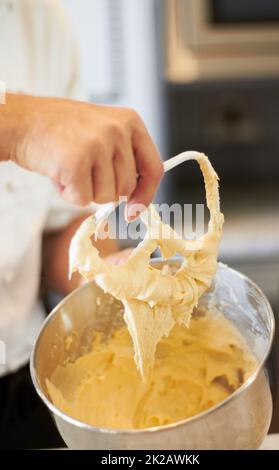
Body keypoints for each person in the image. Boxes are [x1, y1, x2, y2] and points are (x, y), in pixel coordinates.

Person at [0, 0, 163, 448]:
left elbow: (56, 230)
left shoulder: (39, 18)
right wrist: (20, 124)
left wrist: (110, 277)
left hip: (23, 386)